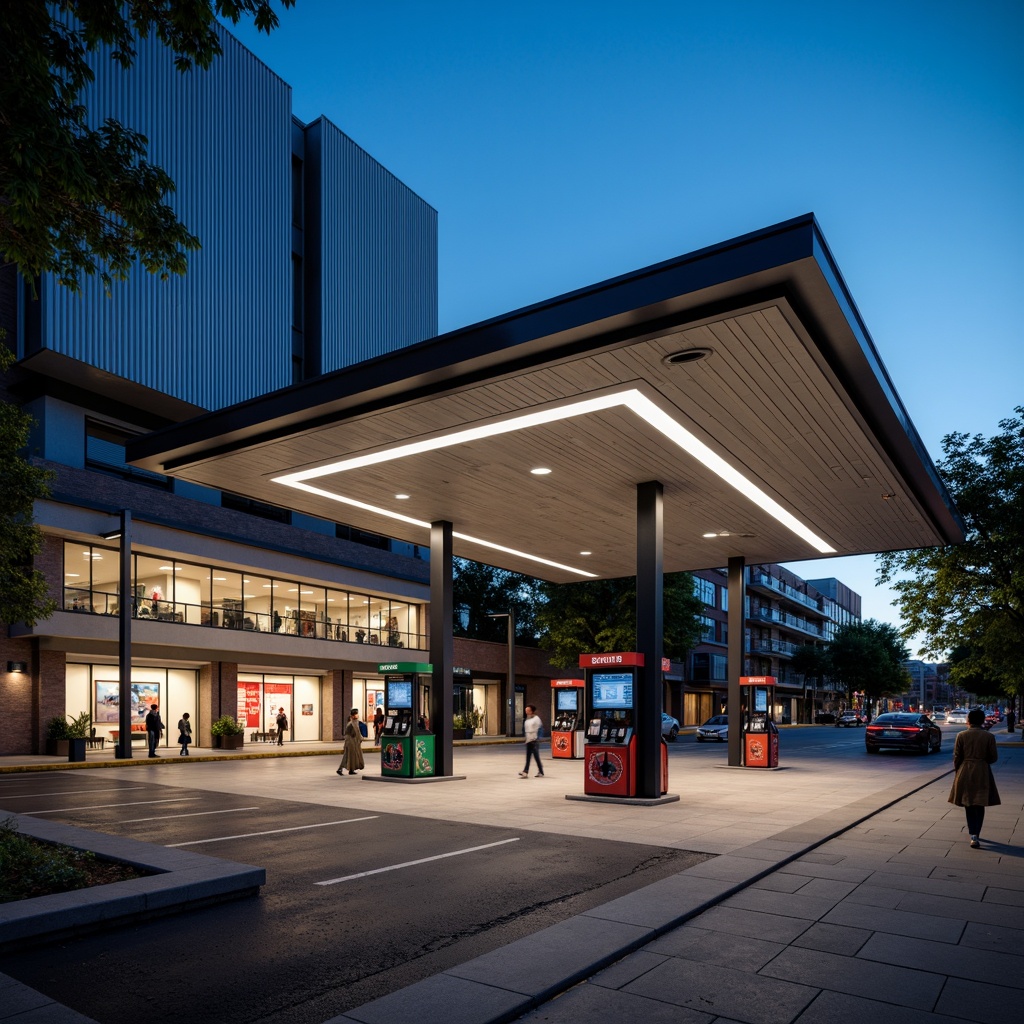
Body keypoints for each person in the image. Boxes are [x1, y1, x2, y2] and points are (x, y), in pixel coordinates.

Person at [948, 707, 1000, 848]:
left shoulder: (961, 735)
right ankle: (977, 833)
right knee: (980, 802)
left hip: (965, 770)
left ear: (969, 720)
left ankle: (972, 834)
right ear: (982, 721)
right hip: (982, 771)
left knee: (968, 803)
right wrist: (982, 762)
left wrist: (958, 770)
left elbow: (957, 757)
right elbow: (994, 757)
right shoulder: (989, 736)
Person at [337, 708, 365, 776]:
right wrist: (360, 738)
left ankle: (351, 770)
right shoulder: (351, 723)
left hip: (354, 742)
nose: (357, 715)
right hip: (350, 742)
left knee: (353, 756)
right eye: (356, 714)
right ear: (352, 716)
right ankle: (340, 769)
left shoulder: (355, 722)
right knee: (347, 756)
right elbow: (352, 733)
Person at [519, 704, 544, 778]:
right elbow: (526, 730)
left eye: (528, 710)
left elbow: (540, 729)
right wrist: (526, 739)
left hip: (534, 740)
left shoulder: (536, 719)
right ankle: (525, 771)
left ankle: (541, 771)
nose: (526, 712)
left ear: (532, 711)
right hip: (528, 740)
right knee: (528, 757)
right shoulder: (527, 719)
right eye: (526, 710)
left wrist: (537, 738)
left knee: (536, 757)